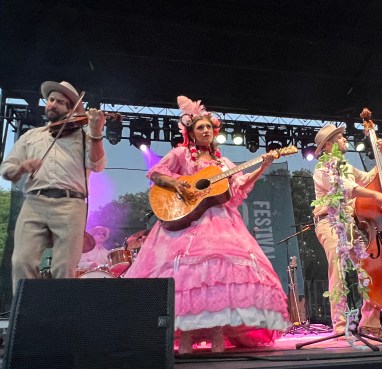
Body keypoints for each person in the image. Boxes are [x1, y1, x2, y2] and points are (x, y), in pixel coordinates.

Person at [124, 96, 291, 354]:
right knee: (184, 277)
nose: (205, 131)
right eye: (200, 127)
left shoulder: (223, 164)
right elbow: (157, 173)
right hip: (185, 219)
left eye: (209, 128)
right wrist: (178, 183)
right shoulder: (181, 153)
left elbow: (238, 188)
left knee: (219, 276)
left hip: (221, 222)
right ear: (190, 132)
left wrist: (263, 166)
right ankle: (187, 335)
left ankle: (217, 333)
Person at [0, 81, 106, 292]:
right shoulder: (31, 136)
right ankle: (25, 317)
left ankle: (60, 318)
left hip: (70, 203)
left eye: (60, 102)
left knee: (64, 267)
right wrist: (21, 167)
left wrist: (95, 133)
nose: (53, 104)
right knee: (21, 261)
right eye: (51, 100)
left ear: (70, 109)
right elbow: (6, 168)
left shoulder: (84, 136)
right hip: (34, 202)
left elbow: (97, 165)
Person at [312, 124, 382, 339]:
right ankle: (340, 327)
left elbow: (368, 178)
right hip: (329, 223)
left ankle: (370, 323)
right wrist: (378, 197)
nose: (345, 139)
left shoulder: (347, 166)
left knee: (369, 269)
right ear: (329, 145)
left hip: (351, 223)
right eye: (340, 137)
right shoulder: (322, 169)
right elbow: (346, 188)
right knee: (338, 271)